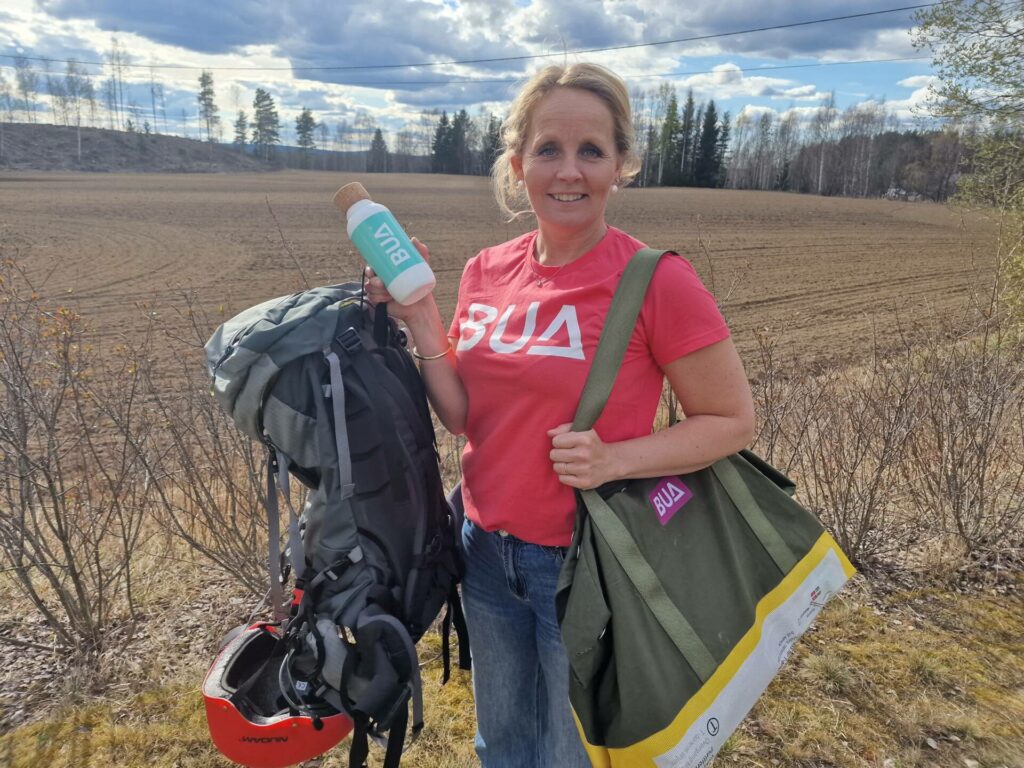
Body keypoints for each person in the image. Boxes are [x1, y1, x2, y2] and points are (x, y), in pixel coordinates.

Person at [365, 63, 755, 768]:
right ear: (518, 166)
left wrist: (617, 459)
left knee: (570, 754)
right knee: (504, 743)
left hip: (587, 565)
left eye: (590, 151)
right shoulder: (488, 270)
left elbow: (731, 421)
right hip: (484, 552)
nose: (567, 171)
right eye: (548, 149)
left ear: (621, 165)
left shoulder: (656, 279)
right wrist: (421, 319)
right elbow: (464, 418)